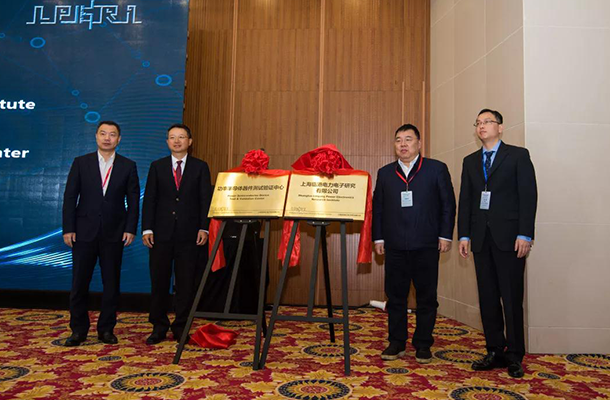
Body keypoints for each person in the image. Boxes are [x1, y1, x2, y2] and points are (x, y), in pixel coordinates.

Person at [458, 109, 537, 378]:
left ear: (500, 127)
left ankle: (514, 355)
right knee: (488, 297)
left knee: (511, 298)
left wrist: (525, 234)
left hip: (511, 239)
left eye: (487, 122)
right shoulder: (470, 161)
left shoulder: (518, 156)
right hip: (481, 239)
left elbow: (528, 196)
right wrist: (464, 235)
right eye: (478, 122)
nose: (482, 126)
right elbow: (466, 201)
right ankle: (494, 350)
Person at [372, 123, 456, 363]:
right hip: (395, 246)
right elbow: (378, 208)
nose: (403, 144)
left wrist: (445, 235)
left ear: (419, 143)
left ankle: (423, 343)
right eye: (398, 140)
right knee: (395, 297)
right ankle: (396, 342)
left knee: (426, 297)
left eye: (408, 139)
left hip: (426, 245)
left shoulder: (436, 169)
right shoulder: (385, 173)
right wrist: (378, 237)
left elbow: (448, 204)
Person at [62, 121, 140, 346]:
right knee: (79, 283)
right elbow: (70, 197)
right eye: (103, 133)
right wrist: (68, 228)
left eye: (112, 134)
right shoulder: (81, 162)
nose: (107, 138)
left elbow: (133, 200)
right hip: (83, 232)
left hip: (114, 233)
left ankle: (106, 329)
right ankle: (78, 330)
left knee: (111, 284)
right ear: (96, 136)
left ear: (119, 139)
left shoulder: (128, 165)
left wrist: (130, 228)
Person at [142, 123, 212, 344]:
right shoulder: (157, 166)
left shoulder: (200, 167)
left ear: (189, 142)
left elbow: (205, 200)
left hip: (189, 235)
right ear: (167, 142)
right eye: (172, 137)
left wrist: (204, 227)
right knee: (159, 282)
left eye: (181, 137)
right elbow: (150, 199)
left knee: (186, 283)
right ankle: (158, 326)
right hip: (160, 234)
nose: (177, 141)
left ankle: (181, 326)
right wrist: (147, 228)